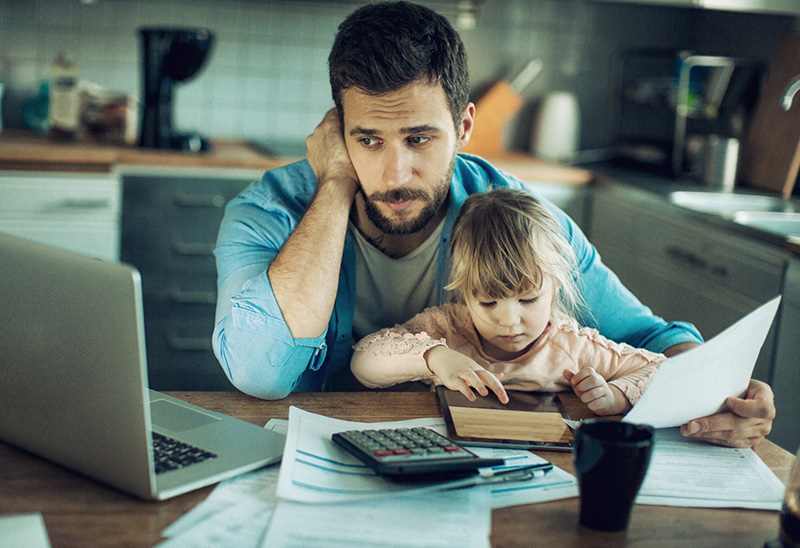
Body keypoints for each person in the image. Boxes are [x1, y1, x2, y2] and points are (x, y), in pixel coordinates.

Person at [212, 1, 775, 447]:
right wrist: (334, 186)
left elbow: (650, 339)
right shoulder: (270, 210)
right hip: (310, 457)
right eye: (368, 139)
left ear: (463, 126)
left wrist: (719, 394)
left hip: (469, 463)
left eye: (419, 138)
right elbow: (261, 372)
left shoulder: (512, 216)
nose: (394, 173)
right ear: (337, 132)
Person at [350, 189, 666, 416]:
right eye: (488, 303)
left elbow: (662, 370)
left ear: (555, 287)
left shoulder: (573, 346)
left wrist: (615, 396)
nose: (509, 320)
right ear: (465, 292)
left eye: (528, 299)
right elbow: (363, 363)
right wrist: (435, 358)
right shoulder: (447, 328)